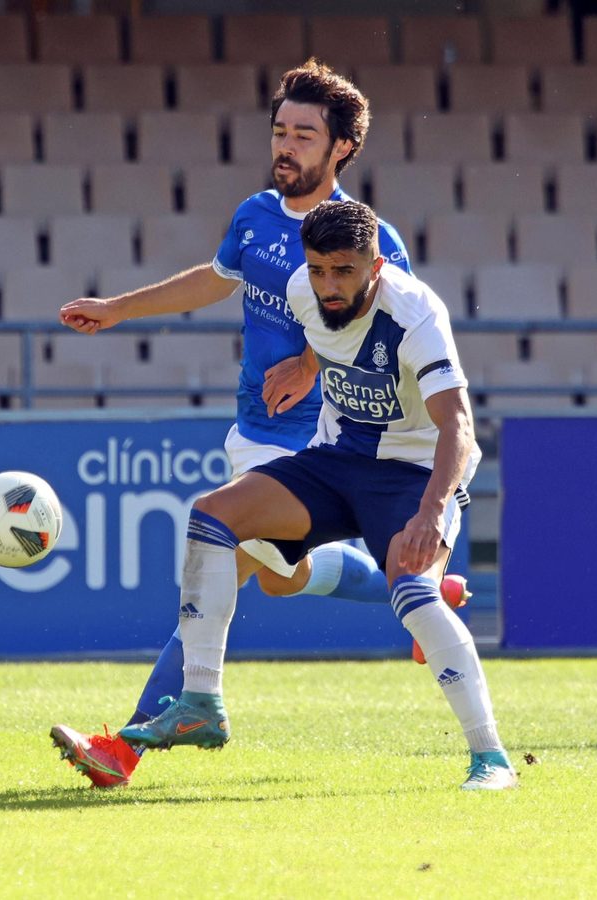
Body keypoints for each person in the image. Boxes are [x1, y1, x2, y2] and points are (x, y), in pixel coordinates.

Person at [51, 60, 465, 788]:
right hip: (253, 427)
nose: (286, 145)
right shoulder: (255, 214)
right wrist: (118, 308)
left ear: (340, 148)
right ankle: (426, 586)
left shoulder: (370, 236)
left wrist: (310, 360)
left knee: (227, 562)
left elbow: (386, 321)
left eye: (305, 134)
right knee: (282, 577)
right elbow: (215, 279)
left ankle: (125, 748)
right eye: (280, 130)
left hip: (323, 437)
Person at [121, 199, 516, 790]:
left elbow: (458, 426)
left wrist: (432, 512)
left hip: (413, 471)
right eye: (318, 270)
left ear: (376, 266)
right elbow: (324, 334)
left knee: (411, 591)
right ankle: (201, 703)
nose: (329, 286)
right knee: (212, 515)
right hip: (336, 460)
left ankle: (492, 760)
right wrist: (307, 366)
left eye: (344, 272)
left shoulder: (415, 313)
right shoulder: (303, 290)